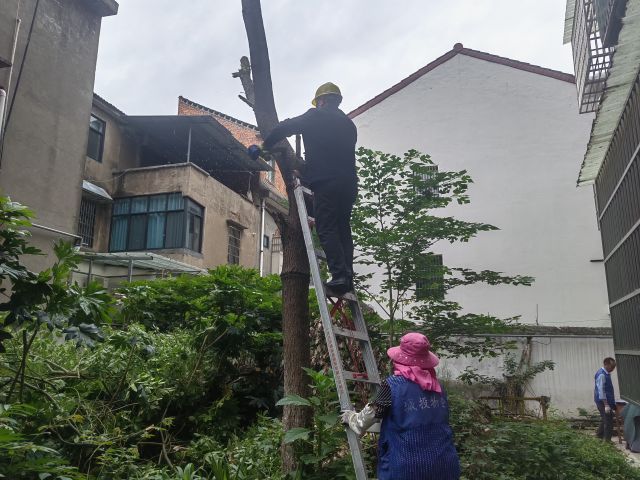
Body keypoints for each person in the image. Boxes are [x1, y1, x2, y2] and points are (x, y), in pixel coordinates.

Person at [248, 82, 358, 295]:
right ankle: (348, 274)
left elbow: (284, 127)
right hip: (349, 185)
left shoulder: (315, 116)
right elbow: (331, 154)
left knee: (327, 227)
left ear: (321, 101)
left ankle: (340, 276)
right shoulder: (349, 125)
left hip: (327, 183)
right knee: (343, 228)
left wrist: (263, 146)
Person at [341, 332, 460, 480]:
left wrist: (351, 418)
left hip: (407, 468)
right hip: (445, 466)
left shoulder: (392, 386)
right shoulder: (439, 387)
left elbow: (367, 419)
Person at [594, 357, 617, 442]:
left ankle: (599, 436)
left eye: (614, 367)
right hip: (603, 402)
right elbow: (601, 391)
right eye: (612, 366)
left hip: (603, 401)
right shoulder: (602, 375)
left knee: (605, 419)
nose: (613, 369)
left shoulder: (606, 373)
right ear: (606, 364)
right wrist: (606, 405)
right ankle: (607, 442)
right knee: (608, 422)